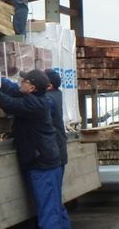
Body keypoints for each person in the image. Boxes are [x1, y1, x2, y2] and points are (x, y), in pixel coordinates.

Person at [0, 69, 66, 229]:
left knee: (48, 211)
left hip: (42, 165)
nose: (21, 82)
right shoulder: (35, 97)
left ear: (32, 88)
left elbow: (8, 103)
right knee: (55, 207)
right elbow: (13, 89)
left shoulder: (36, 104)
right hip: (49, 162)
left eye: (24, 81)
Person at [45, 68, 71, 228]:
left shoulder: (49, 99)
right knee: (55, 198)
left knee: (52, 199)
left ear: (49, 85)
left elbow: (31, 106)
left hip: (55, 154)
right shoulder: (56, 93)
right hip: (59, 153)